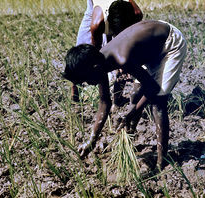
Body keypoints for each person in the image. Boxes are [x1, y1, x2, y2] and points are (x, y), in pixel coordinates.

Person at [63, 20, 187, 169]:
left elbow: (152, 88)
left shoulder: (121, 58)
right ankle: (130, 136)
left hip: (169, 43)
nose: (88, 84)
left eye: (86, 80)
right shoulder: (98, 61)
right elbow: (104, 103)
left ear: (94, 68)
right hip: (150, 47)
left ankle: (162, 162)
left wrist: (133, 111)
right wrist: (91, 141)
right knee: (135, 95)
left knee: (158, 103)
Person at [71, 0, 143, 105]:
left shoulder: (135, 14)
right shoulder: (97, 23)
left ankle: (117, 100)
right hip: (99, 7)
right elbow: (97, 52)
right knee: (81, 52)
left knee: (125, 58)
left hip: (119, 14)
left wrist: (123, 63)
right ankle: (75, 89)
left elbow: (132, 41)